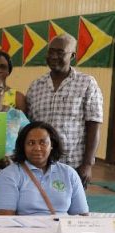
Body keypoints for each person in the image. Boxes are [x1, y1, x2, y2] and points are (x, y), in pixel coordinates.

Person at [25, 33, 103, 188]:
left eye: (60, 52)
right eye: (51, 51)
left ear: (72, 55)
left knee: (72, 210)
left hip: (72, 165)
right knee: (39, 208)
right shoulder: (36, 86)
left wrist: (87, 164)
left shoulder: (87, 83)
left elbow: (94, 126)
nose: (54, 56)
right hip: (40, 164)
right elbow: (29, 126)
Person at [0, 122, 88, 216]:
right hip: (26, 231)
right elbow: (4, 220)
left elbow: (82, 216)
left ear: (52, 145)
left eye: (43, 142)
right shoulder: (8, 175)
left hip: (61, 230)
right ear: (23, 147)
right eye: (31, 143)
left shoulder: (68, 173)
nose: (37, 148)